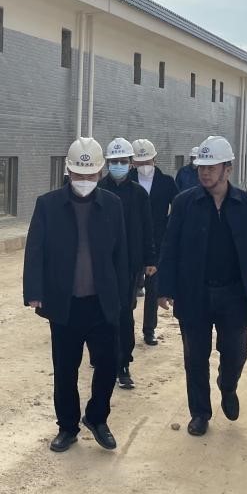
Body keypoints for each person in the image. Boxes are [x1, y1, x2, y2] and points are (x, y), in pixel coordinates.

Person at [157, 136, 247, 437]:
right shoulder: (184, 203)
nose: (205, 172)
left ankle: (228, 385)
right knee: (195, 357)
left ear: (228, 169)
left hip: (233, 293)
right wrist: (164, 287)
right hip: (194, 292)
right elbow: (170, 247)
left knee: (236, 351)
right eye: (201, 167)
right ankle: (200, 413)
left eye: (212, 167)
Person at [23, 137, 128, 453]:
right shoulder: (48, 205)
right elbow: (35, 250)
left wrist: (124, 296)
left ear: (100, 173)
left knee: (108, 365)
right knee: (65, 370)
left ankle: (97, 418)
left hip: (102, 302)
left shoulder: (112, 205)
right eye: (79, 174)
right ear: (68, 171)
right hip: (64, 303)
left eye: (90, 174)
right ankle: (67, 427)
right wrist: (34, 291)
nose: (84, 180)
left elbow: (121, 255)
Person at [99, 137, 154, 389]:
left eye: (123, 161)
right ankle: (103, 357)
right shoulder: (99, 190)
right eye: (114, 161)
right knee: (101, 313)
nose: (118, 165)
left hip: (129, 264)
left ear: (131, 163)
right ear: (107, 163)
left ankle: (123, 363)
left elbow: (147, 228)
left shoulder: (139, 194)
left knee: (124, 313)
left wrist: (149, 259)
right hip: (102, 263)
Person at [132, 139, 178, 347]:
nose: (143, 165)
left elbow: (177, 206)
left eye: (147, 161)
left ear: (154, 159)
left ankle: (149, 329)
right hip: (133, 242)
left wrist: (167, 226)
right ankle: (125, 327)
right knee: (129, 288)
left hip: (158, 242)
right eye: (139, 162)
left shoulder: (166, 182)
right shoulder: (128, 181)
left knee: (153, 289)